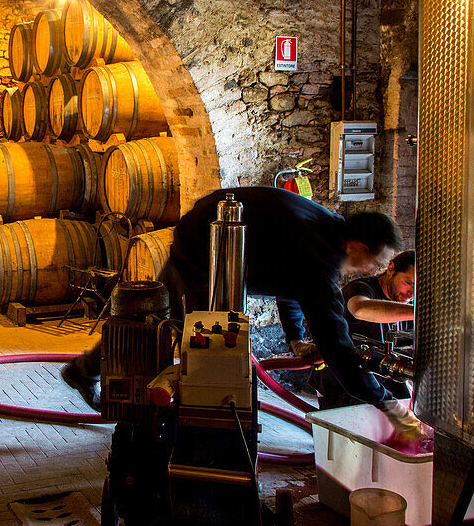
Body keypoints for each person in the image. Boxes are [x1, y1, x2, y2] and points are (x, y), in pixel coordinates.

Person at [61, 186, 427, 440]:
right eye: (374, 262)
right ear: (360, 245)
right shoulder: (321, 259)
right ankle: (190, 424)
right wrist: (388, 404)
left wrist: (296, 337)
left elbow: (292, 286)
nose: (371, 270)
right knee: (202, 341)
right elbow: (338, 351)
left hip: (200, 229)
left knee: (163, 322)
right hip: (204, 248)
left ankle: (86, 370)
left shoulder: (323, 228)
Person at [309, 250, 415, 409]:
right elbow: (359, 309)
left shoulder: (406, 306)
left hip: (379, 384)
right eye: (408, 283)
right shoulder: (362, 288)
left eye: (417, 286)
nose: (412, 293)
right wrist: (417, 313)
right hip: (341, 385)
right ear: (391, 268)